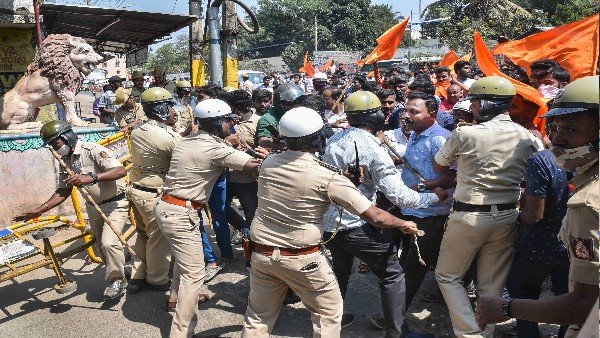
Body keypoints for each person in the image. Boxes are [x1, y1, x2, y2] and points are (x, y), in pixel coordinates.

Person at [242, 107, 422, 337]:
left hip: (261, 254)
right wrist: (402, 223)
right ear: (318, 138)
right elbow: (376, 216)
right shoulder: (327, 177)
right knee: (327, 316)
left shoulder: (269, 164)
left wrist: (345, 181)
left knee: (258, 318)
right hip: (301, 257)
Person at [476, 75, 599, 337]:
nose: (558, 140)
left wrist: (506, 307)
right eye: (555, 128)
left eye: (572, 130)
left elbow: (586, 304)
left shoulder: (586, 204)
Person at [322, 90, 447, 337]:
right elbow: (399, 196)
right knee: (393, 274)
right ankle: (397, 333)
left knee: (340, 273)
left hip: (331, 224)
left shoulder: (337, 138)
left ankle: (329, 325)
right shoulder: (371, 147)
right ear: (375, 115)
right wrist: (435, 196)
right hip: (355, 224)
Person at [433, 76, 543, 337]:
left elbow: (439, 165)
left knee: (448, 277)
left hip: (469, 217)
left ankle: (469, 334)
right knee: (491, 286)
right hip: (507, 215)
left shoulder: (465, 133)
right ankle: (484, 332)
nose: (471, 107)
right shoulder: (527, 136)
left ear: (484, 105)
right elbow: (536, 167)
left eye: (474, 103)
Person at [155, 98, 261, 338]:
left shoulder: (186, 141)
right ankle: (181, 332)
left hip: (166, 207)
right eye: (228, 121)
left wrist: (228, 145)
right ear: (217, 123)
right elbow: (253, 167)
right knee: (194, 274)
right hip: (181, 213)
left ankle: (174, 298)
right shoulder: (217, 148)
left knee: (184, 259)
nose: (232, 124)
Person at [14, 121, 128, 299]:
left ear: (67, 136)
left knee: (109, 243)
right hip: (93, 208)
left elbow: (120, 171)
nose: (54, 148)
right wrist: (39, 210)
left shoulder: (92, 150)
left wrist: (92, 178)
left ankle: (118, 280)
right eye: (51, 145)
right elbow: (64, 190)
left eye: (55, 143)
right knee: (102, 246)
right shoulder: (65, 160)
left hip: (115, 204)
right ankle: (116, 270)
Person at [397, 91, 455, 308]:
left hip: (431, 214)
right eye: (406, 110)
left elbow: (452, 176)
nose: (406, 116)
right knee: (410, 261)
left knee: (415, 265)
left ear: (432, 113)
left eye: (414, 112)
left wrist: (421, 187)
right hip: (412, 209)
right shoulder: (414, 133)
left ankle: (395, 315)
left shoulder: (440, 139)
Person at [127, 87, 181, 300]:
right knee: (159, 238)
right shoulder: (167, 136)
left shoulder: (139, 129)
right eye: (169, 106)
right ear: (161, 109)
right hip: (153, 194)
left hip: (137, 189)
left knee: (143, 234)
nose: (172, 110)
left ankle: (139, 273)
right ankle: (156, 279)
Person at [223, 90, 261, 245]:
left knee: (252, 214)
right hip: (226, 176)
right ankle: (242, 227)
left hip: (248, 179)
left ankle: (254, 248)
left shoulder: (259, 122)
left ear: (237, 108)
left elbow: (263, 151)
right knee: (221, 209)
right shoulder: (226, 122)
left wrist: (247, 150)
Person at [255, 83, 305, 151]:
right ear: (278, 103)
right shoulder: (268, 119)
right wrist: (292, 148)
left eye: (297, 103)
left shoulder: (300, 115)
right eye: (288, 104)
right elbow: (264, 143)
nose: (294, 107)